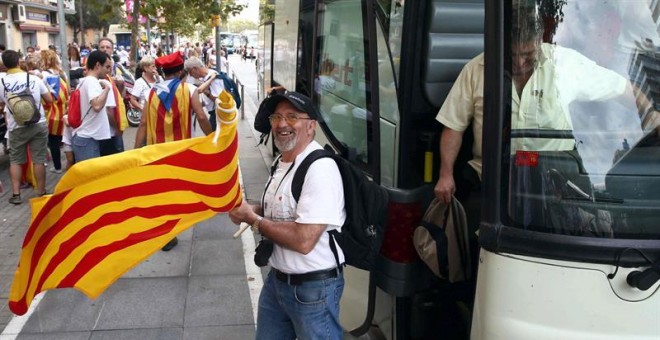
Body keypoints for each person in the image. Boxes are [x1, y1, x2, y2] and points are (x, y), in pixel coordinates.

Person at [434, 5, 640, 229]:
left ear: (539, 42)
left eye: (528, 55)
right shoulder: (476, 70)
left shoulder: (565, 65)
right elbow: (453, 126)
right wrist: (446, 174)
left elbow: (622, 88)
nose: (520, 64)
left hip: (554, 181)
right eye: (512, 56)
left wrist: (652, 115)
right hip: (490, 177)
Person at [229, 91, 346, 340]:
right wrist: (247, 208)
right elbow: (279, 208)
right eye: (277, 116)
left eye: (292, 116)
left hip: (313, 290)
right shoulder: (282, 162)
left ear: (311, 126)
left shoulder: (320, 169)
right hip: (277, 282)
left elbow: (304, 240)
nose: (282, 124)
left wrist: (253, 219)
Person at [134, 52, 212, 251]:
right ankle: (170, 231)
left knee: (161, 193)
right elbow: (202, 117)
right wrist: (211, 138)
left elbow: (143, 123)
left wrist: (135, 152)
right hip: (180, 153)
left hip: (156, 152)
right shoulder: (189, 90)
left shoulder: (151, 92)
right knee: (177, 193)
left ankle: (164, 233)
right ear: (180, 72)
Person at [0, 50, 54, 204]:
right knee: (39, 159)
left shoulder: (1, 81)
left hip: (16, 126)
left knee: (16, 160)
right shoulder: (34, 78)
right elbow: (49, 99)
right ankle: (41, 191)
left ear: (5, 64)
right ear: (18, 61)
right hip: (38, 123)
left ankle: (16, 194)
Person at [71, 50, 113, 163]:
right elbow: (97, 105)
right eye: (107, 66)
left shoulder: (84, 81)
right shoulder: (92, 81)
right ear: (98, 65)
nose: (108, 71)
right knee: (91, 178)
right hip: (87, 139)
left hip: (85, 138)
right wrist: (107, 89)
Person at [40, 49, 70, 174]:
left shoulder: (44, 75)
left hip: (52, 113)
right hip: (65, 110)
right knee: (67, 139)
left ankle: (57, 166)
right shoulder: (62, 73)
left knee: (53, 141)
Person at [97, 37, 127, 156]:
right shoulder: (97, 75)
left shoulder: (116, 69)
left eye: (107, 47)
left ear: (112, 49)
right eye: (102, 47)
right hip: (106, 128)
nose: (105, 49)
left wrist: (120, 86)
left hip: (115, 125)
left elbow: (120, 97)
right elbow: (106, 108)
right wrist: (117, 128)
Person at [183, 56, 224, 131]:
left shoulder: (213, 76)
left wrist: (207, 93)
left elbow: (220, 100)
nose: (190, 75)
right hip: (215, 114)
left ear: (195, 69)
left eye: (190, 72)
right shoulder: (205, 78)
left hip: (218, 115)